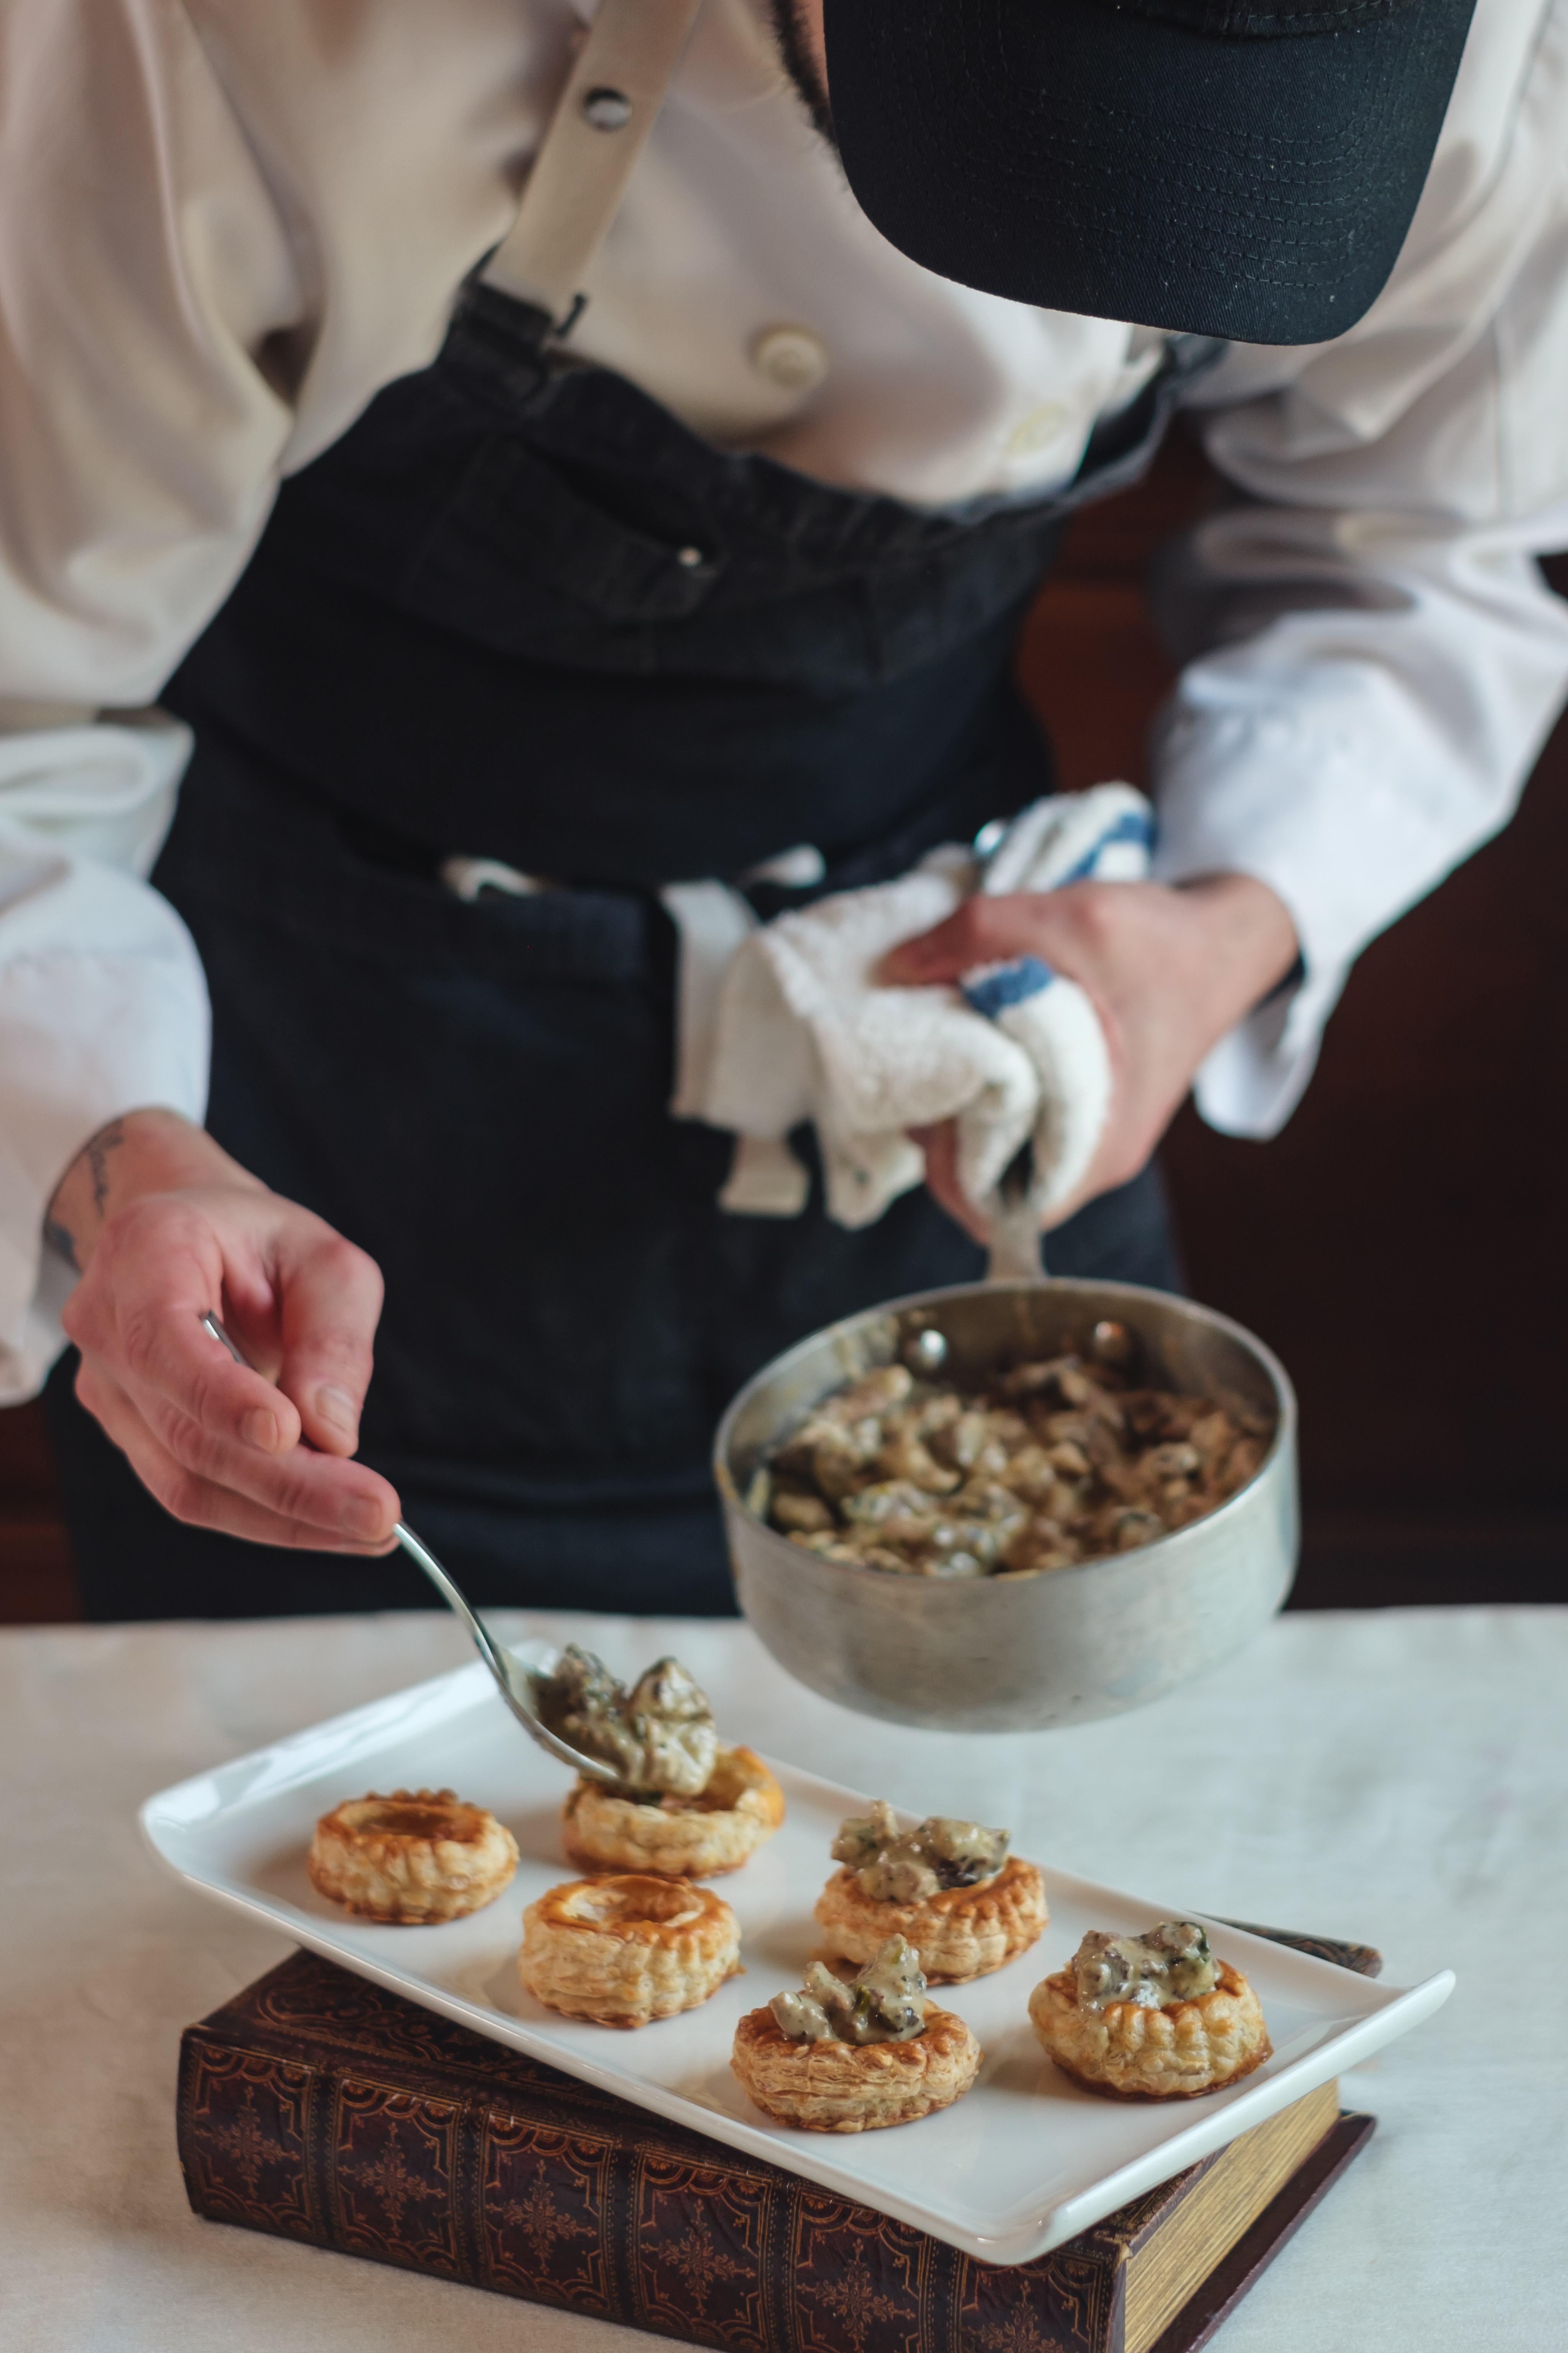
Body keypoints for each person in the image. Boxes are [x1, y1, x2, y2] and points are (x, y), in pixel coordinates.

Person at [2, 0, 1565, 1619]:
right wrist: (120, 1164)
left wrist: (1220, 935)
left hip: (954, 1151)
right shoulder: (228, 34)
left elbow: (1425, 551)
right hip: (314, 1181)